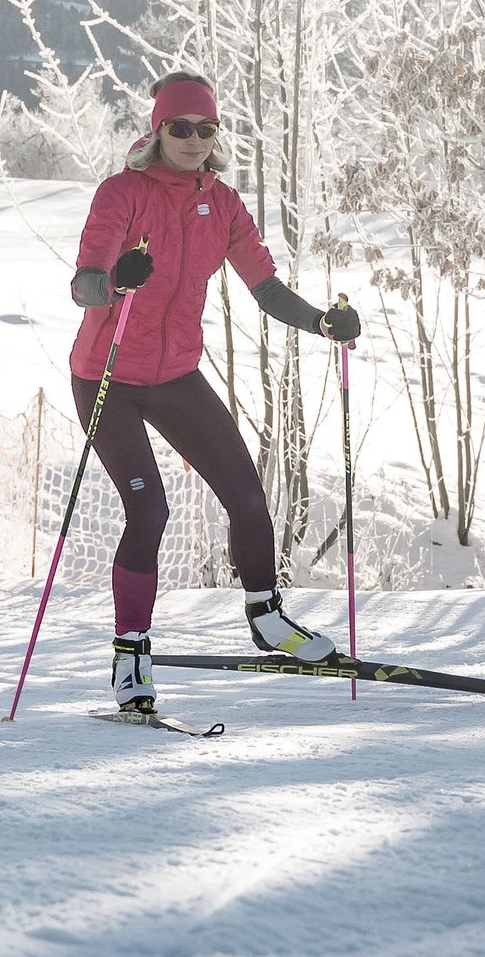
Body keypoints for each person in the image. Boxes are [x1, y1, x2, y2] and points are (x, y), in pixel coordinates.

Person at [68, 71, 359, 714]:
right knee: (149, 511)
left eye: (206, 129)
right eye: (181, 128)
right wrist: (118, 278)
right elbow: (85, 283)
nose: (195, 140)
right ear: (157, 131)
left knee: (248, 497)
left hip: (176, 376)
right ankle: (130, 656)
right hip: (108, 376)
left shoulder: (221, 204)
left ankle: (268, 619)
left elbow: (266, 286)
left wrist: (321, 321)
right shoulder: (122, 194)